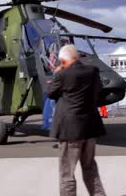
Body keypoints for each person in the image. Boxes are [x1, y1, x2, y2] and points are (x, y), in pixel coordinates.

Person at [47, 44, 107, 196]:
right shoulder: (93, 71)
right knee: (90, 168)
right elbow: (98, 91)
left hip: (69, 129)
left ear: (63, 60)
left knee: (67, 172)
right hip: (90, 126)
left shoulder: (62, 75)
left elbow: (50, 93)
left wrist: (56, 74)